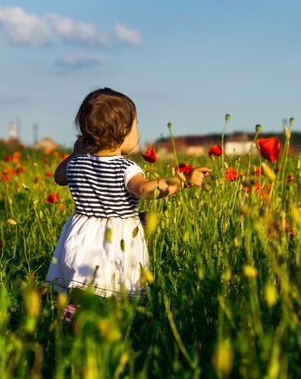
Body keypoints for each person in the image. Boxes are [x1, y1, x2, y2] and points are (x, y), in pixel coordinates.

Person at [45, 87, 211, 321]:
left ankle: (76, 317)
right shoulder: (126, 168)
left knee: (83, 285)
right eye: (136, 126)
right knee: (118, 287)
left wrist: (74, 153)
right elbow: (144, 189)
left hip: (81, 237)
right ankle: (116, 324)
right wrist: (182, 181)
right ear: (123, 132)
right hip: (116, 239)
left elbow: (58, 177)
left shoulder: (76, 164)